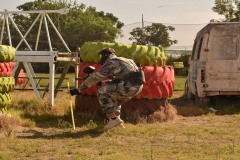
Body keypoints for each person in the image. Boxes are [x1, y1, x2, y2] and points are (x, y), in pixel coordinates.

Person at [70, 48, 144, 130]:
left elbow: (95, 78)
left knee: (101, 93)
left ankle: (113, 120)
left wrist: (79, 89)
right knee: (114, 98)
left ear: (105, 55)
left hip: (129, 87)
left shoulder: (110, 63)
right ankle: (117, 123)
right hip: (138, 87)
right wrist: (106, 82)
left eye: (101, 56)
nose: (100, 58)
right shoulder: (126, 60)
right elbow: (121, 77)